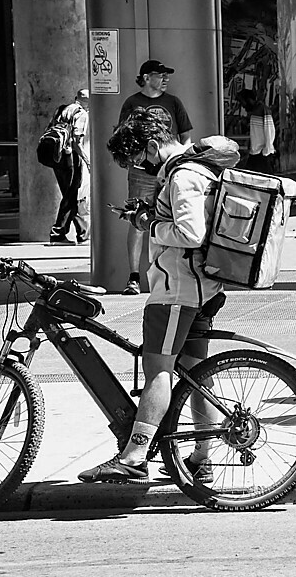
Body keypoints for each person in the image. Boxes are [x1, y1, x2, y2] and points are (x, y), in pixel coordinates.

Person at [78, 107, 239, 484]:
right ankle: (202, 457)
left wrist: (148, 224)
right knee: (196, 372)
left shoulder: (182, 176)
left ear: (153, 145)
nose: (140, 167)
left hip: (177, 291)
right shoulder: (193, 170)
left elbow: (190, 234)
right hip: (199, 287)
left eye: (138, 159)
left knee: (158, 371)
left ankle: (134, 456)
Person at [117, 59, 193, 295]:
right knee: (138, 219)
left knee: (167, 218)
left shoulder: (173, 102)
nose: (165, 79)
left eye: (165, 75)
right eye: (160, 75)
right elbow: (124, 138)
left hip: (167, 168)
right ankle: (134, 277)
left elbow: (186, 135)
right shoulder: (133, 103)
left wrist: (180, 161)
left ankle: (163, 273)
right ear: (146, 77)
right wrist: (136, 163)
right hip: (141, 173)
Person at [49, 89, 91, 245]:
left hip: (56, 156)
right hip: (70, 157)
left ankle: (83, 233)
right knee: (72, 194)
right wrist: (87, 160)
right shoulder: (82, 115)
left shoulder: (61, 109)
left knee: (70, 195)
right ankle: (58, 234)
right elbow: (76, 142)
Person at [238, 88, 276, 174]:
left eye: (243, 102)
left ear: (248, 100)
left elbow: (270, 131)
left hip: (262, 153)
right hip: (255, 152)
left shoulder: (263, 110)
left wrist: (267, 149)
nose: (243, 106)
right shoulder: (254, 111)